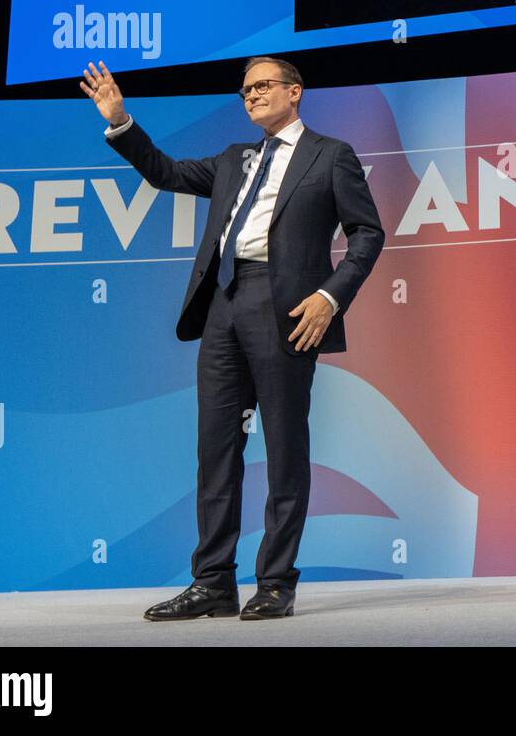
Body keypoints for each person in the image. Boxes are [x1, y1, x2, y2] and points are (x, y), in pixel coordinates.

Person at [79, 57, 384, 620]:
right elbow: (164, 173)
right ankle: (213, 581)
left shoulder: (331, 155)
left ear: (295, 92)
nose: (251, 96)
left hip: (287, 306)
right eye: (245, 90)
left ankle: (275, 582)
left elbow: (368, 232)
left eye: (262, 86)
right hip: (222, 302)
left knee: (284, 445)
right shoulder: (231, 160)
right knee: (216, 447)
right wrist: (120, 121)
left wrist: (330, 295)